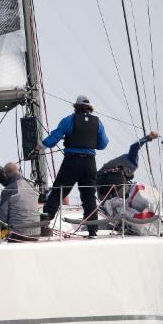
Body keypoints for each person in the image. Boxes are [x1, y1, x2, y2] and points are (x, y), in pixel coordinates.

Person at [38, 94, 109, 237]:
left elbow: (54, 138)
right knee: (89, 197)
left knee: (58, 192)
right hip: (89, 164)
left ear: (76, 107)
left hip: (72, 162)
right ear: (90, 109)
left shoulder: (68, 120)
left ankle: (44, 224)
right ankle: (92, 231)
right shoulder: (98, 122)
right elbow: (103, 144)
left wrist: (40, 146)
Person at [96, 132, 160, 200]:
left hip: (103, 193)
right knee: (129, 190)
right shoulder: (128, 163)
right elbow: (134, 147)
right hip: (111, 189)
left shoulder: (122, 163)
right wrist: (148, 137)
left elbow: (134, 147)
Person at [0, 162, 41, 242]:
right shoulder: (32, 187)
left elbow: (3, 215)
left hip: (18, 234)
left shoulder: (9, 189)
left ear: (6, 174)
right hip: (36, 233)